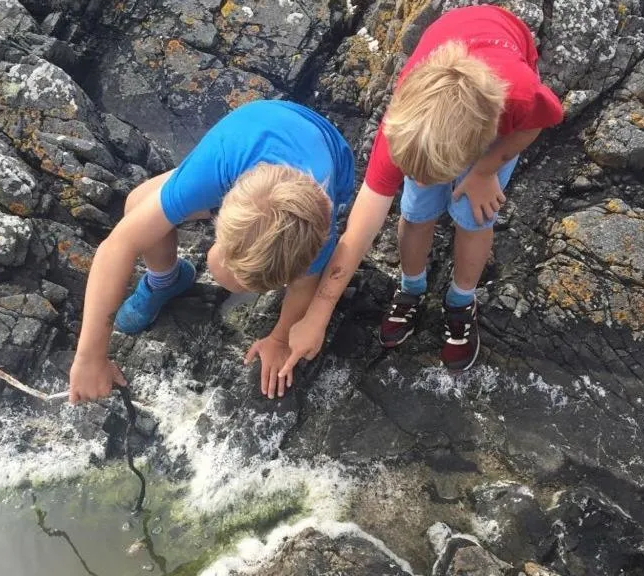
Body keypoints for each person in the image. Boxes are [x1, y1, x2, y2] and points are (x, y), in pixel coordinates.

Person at [278, 5, 563, 376]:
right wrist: (319, 312)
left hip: (497, 84)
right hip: (445, 73)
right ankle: (411, 287)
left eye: (435, 173)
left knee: (473, 215)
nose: (425, 179)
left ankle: (462, 301)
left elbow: (539, 121)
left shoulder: (520, 96)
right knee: (415, 211)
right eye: (414, 170)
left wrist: (484, 170)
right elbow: (360, 231)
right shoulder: (406, 125)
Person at [69, 99, 354, 404]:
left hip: (327, 151)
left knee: (226, 270)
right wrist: (90, 357)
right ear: (223, 208)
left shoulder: (318, 230)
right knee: (138, 204)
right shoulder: (213, 167)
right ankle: (165, 279)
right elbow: (118, 245)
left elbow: (305, 283)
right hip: (240, 138)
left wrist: (280, 337)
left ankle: (209, 272)